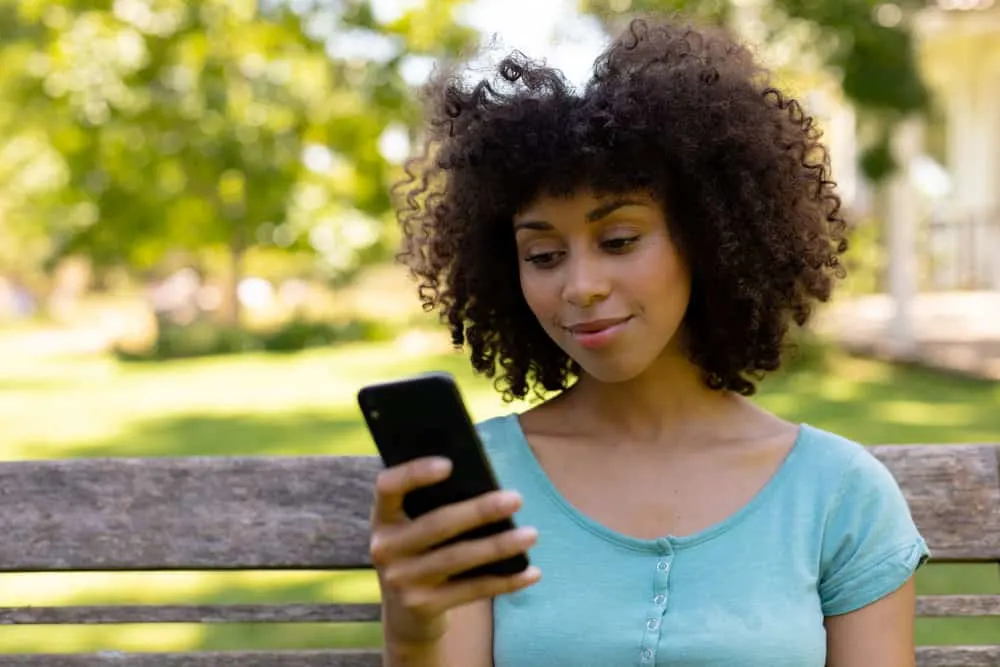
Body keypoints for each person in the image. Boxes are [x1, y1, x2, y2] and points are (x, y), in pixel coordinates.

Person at [368, 16, 930, 667]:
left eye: (619, 241)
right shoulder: (480, 483)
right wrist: (412, 633)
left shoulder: (837, 494)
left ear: (710, 238)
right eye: (544, 254)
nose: (579, 285)